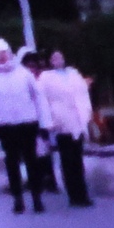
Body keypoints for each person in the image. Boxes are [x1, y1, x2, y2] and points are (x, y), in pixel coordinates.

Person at [0, 38, 48, 214]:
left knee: (32, 161)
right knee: (12, 163)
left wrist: (44, 123)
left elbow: (38, 98)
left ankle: (37, 198)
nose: (2, 57)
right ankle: (18, 199)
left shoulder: (23, 73)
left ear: (9, 53)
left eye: (4, 53)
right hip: (5, 126)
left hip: (27, 123)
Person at [39, 50, 97, 208]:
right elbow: (42, 100)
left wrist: (86, 113)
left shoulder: (73, 74)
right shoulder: (46, 78)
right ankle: (73, 194)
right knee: (67, 159)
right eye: (54, 57)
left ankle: (82, 194)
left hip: (77, 121)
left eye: (60, 57)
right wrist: (49, 121)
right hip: (61, 122)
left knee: (77, 160)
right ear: (50, 61)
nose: (58, 60)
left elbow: (83, 94)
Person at [19, 48, 59, 195]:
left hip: (45, 122)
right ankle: (36, 179)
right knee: (33, 153)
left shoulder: (44, 79)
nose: (32, 68)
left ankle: (50, 179)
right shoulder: (21, 82)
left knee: (45, 151)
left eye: (33, 65)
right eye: (28, 65)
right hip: (29, 122)